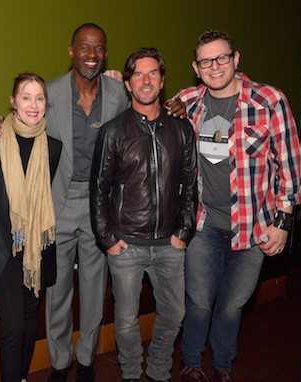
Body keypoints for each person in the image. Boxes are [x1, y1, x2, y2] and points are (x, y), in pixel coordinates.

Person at [0, 23, 187, 382]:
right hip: (54, 207)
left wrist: (175, 106)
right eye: (84, 47)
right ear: (71, 51)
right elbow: (24, 121)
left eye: (98, 49)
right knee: (57, 291)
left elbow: (148, 105)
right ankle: (60, 364)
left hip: (102, 209)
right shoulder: (49, 91)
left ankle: (87, 361)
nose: (91, 55)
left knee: (94, 293)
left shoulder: (119, 92)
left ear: (105, 54)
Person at [175, 30, 301, 382]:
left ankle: (223, 366)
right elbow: (143, 108)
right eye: (206, 61)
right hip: (203, 223)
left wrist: (283, 222)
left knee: (232, 305)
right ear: (195, 67)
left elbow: (289, 167)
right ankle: (190, 362)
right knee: (199, 301)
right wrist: (117, 84)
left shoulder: (269, 100)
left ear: (235, 59)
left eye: (221, 58)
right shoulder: (185, 102)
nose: (214, 66)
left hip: (254, 226)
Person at [90, 47, 197, 382]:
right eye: (138, 74)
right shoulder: (112, 131)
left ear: (162, 81)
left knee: (174, 313)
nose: (146, 80)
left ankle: (160, 372)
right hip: (126, 246)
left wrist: (184, 231)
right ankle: (133, 375)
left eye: (153, 73)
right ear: (127, 83)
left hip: (170, 244)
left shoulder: (181, 129)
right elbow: (98, 190)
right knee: (125, 321)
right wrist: (108, 239)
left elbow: (191, 184)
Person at [0, 72, 62, 382]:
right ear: (12, 102)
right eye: (26, 97)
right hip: (1, 252)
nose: (33, 104)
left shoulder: (53, 148)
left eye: (39, 98)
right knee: (13, 326)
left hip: (35, 250)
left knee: (28, 321)